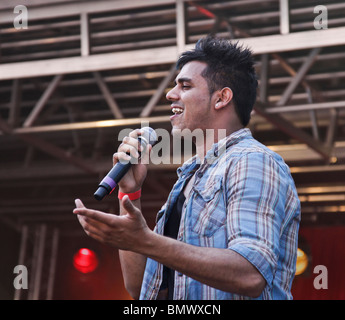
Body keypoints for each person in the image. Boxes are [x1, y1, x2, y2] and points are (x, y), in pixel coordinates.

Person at [73, 36, 301, 300]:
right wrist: (130, 195)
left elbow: (249, 274)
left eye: (185, 85)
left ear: (221, 98)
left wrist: (145, 240)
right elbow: (139, 287)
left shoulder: (251, 161)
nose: (170, 94)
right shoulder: (188, 177)